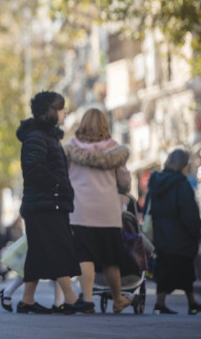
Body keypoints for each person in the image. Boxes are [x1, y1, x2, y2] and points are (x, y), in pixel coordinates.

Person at [15, 91, 93, 314]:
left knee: (38, 253)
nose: (65, 112)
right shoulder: (36, 137)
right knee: (60, 248)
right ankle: (71, 298)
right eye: (61, 108)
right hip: (45, 204)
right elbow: (33, 168)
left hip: (48, 203)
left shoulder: (47, 137)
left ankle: (27, 300)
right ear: (50, 112)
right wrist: (57, 186)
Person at [64, 108, 133, 314]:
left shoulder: (70, 149)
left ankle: (87, 301)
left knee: (85, 256)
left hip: (79, 211)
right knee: (111, 259)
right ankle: (118, 299)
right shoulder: (115, 150)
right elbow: (124, 181)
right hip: (108, 213)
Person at [145, 149, 201, 315]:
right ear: (183, 165)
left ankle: (162, 303)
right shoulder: (181, 184)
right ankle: (190, 302)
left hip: (160, 235)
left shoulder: (155, 183)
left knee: (165, 270)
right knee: (185, 269)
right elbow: (189, 212)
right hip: (180, 236)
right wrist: (195, 230)